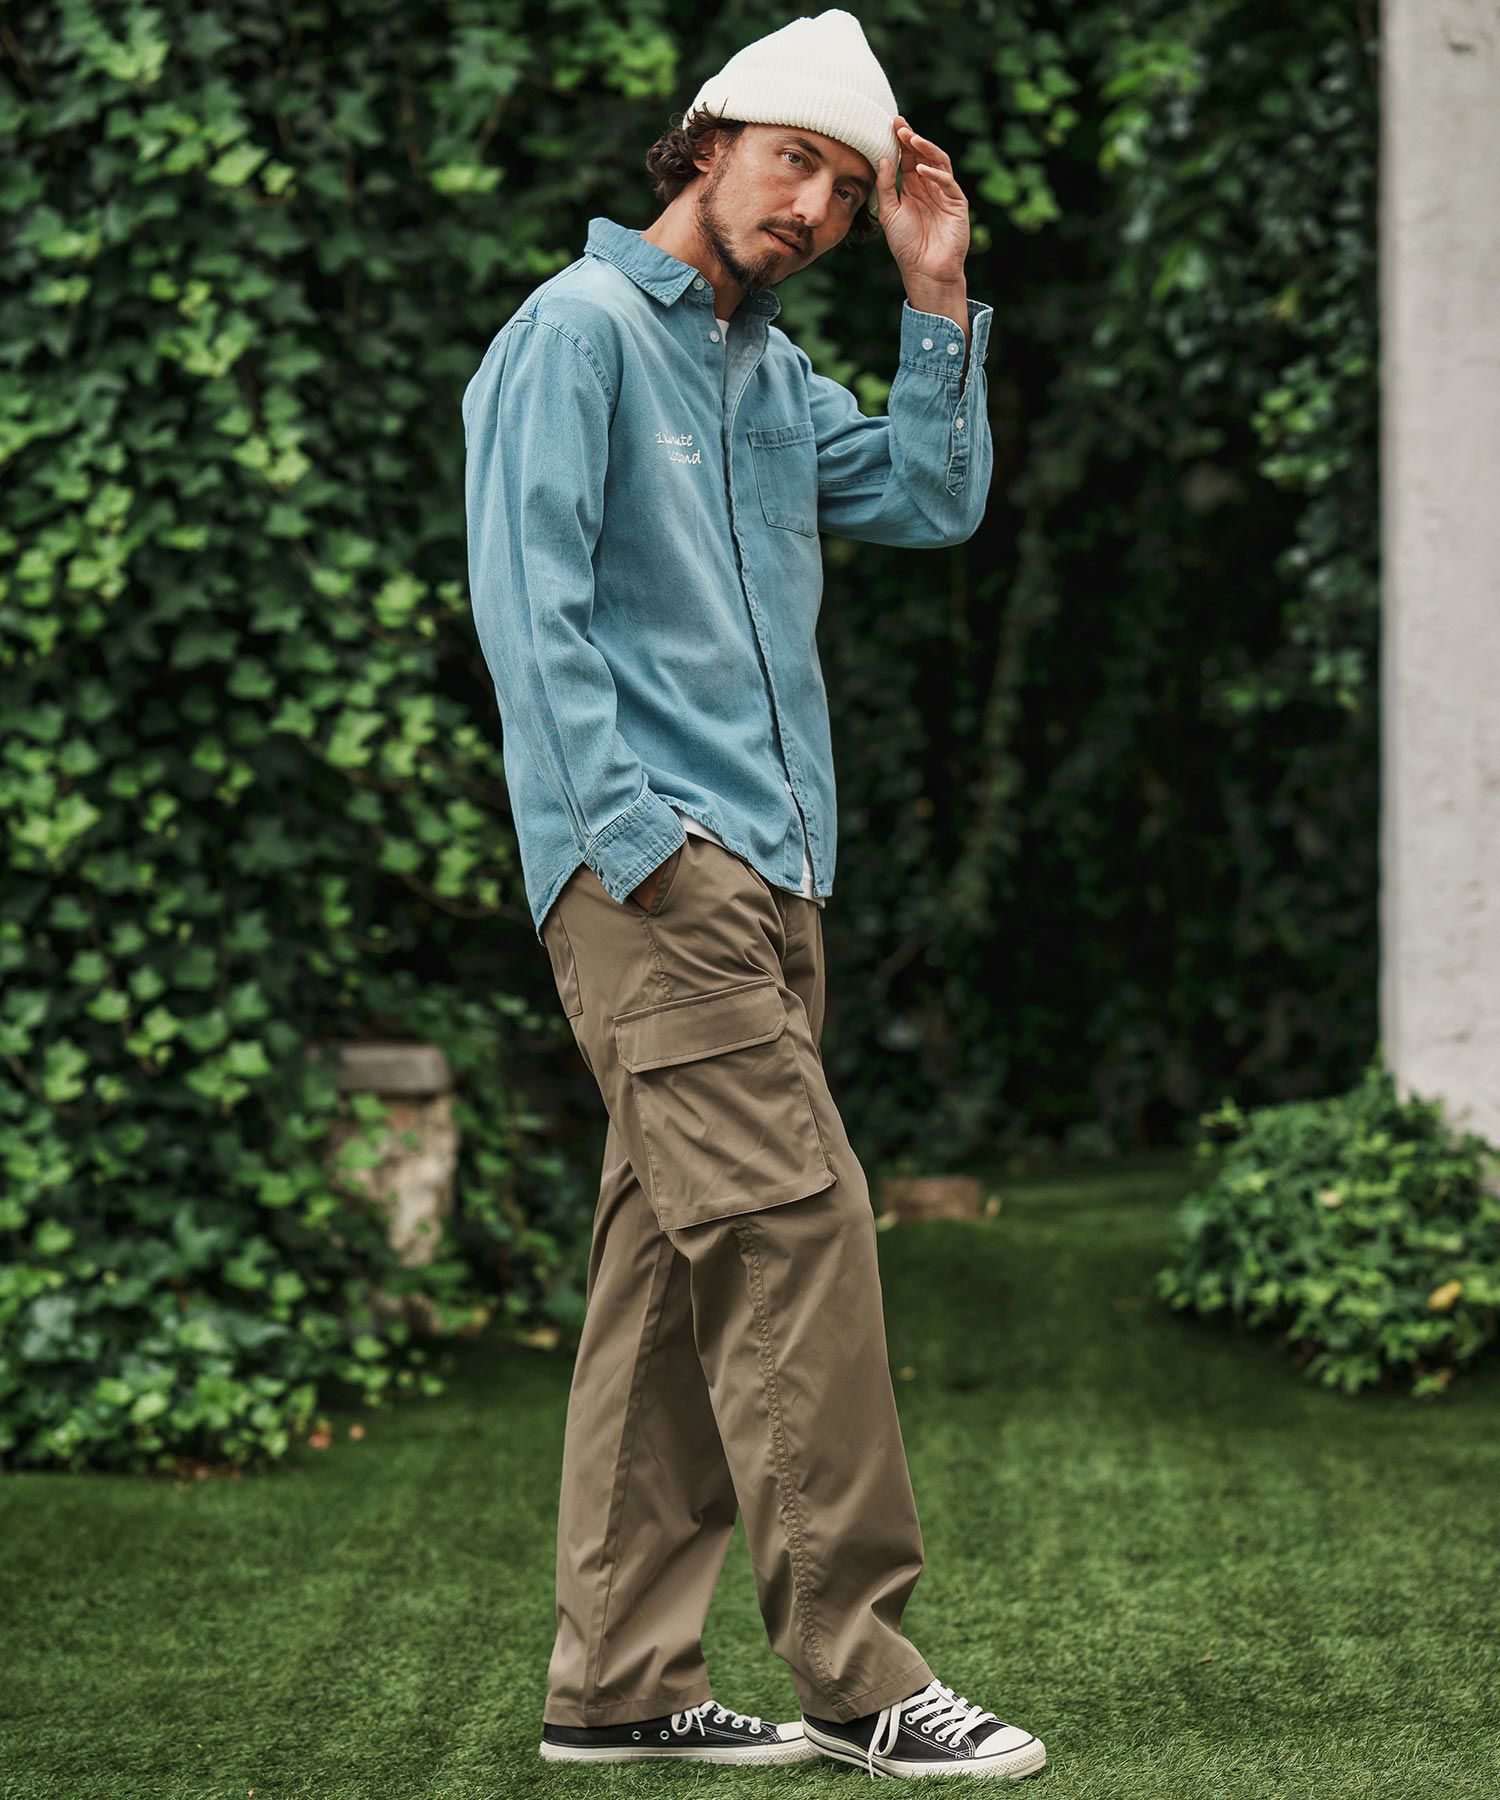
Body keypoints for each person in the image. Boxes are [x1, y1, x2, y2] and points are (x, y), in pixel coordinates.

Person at [461, 6, 1045, 1782]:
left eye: (849, 193)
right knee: (800, 1232)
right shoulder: (573, 335)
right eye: (795, 163)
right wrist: (636, 847)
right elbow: (533, 616)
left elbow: (933, 496)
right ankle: (861, 1675)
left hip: (779, 876)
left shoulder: (771, 377)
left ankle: (617, 1686)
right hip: (657, 874)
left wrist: (935, 292)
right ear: (707, 140)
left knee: (671, 1280)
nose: (814, 210)